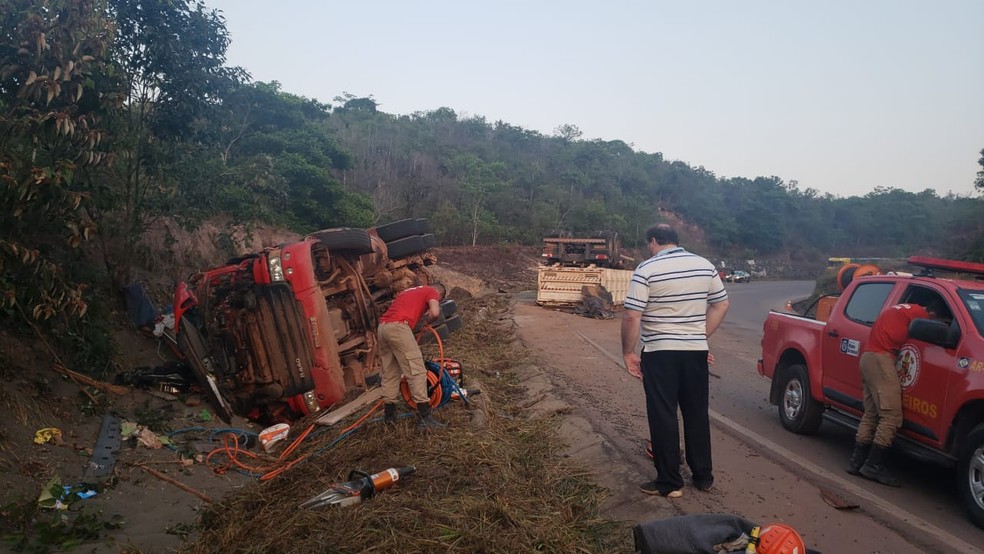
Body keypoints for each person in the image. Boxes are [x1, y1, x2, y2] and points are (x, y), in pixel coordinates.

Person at [621, 224, 729, 498]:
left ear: (654, 241)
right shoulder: (705, 265)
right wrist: (698, 337)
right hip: (695, 353)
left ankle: (670, 483)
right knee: (696, 413)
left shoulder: (646, 269)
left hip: (659, 353)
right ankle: (703, 477)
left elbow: (632, 316)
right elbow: (721, 305)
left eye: (650, 244)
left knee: (663, 415)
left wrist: (628, 353)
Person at [846, 299, 946, 486]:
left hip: (868, 357)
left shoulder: (906, 309)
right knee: (891, 416)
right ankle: (873, 465)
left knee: (872, 414)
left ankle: (856, 462)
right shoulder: (921, 316)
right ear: (933, 316)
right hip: (881, 359)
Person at [378, 282, 447, 429]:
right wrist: (427, 323)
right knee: (416, 370)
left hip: (383, 328)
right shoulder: (433, 291)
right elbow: (434, 313)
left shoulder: (407, 291)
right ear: (439, 295)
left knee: (390, 373)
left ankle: (389, 417)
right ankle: (425, 417)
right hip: (398, 327)